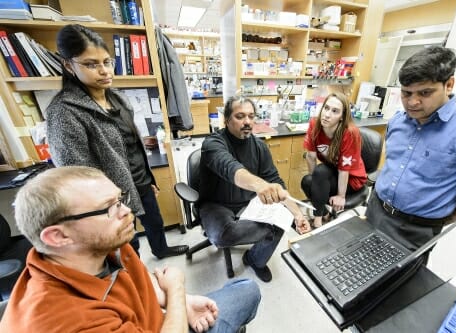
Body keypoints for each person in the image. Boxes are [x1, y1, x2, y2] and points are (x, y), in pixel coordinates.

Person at [0, 166, 261, 333]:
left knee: (245, 289)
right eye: (109, 207)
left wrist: (183, 303)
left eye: (120, 199)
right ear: (58, 236)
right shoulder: (64, 321)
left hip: (155, 323)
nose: (127, 212)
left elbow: (138, 281)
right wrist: (176, 289)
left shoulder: (104, 244)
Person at [46, 24, 188, 259]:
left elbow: (131, 143)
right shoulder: (64, 111)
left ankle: (161, 250)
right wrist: (105, 202)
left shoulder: (118, 98)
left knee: (154, 221)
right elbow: (75, 172)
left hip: (140, 181)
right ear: (69, 65)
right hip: (110, 195)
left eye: (107, 62)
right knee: (127, 240)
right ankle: (133, 274)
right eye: (91, 64)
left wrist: (147, 178)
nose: (104, 71)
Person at [366, 46, 456, 252]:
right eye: (406, 93)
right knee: (354, 273)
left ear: (449, 85)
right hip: (376, 208)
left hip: (416, 229)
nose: (412, 102)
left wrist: (431, 222)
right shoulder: (398, 121)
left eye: (425, 93)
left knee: (397, 283)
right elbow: (393, 164)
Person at [198, 96, 311, 282]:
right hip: (216, 204)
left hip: (248, 201)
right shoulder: (213, 143)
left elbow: (276, 182)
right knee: (222, 235)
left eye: (251, 116)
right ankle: (260, 232)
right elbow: (230, 167)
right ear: (226, 120)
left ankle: (254, 259)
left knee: (283, 219)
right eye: (240, 116)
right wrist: (260, 185)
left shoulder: (259, 147)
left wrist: (298, 215)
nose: (247, 122)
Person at [301, 92, 367, 229]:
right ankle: (325, 214)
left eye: (335, 111)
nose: (327, 114)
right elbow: (311, 157)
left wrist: (340, 196)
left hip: (352, 179)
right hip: (331, 172)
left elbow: (344, 169)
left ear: (342, 117)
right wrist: (315, 183)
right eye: (326, 108)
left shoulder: (350, 133)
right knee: (307, 181)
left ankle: (318, 222)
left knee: (320, 171)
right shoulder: (315, 124)